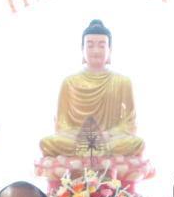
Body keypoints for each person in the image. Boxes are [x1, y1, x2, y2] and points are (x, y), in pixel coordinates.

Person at [40, 18, 143, 157]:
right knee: (48, 143)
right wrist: (81, 135)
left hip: (109, 140)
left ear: (110, 49)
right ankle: (96, 156)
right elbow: (62, 124)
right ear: (82, 49)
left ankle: (90, 156)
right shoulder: (70, 82)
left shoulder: (123, 82)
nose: (95, 51)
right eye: (90, 46)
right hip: (78, 140)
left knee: (136, 143)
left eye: (101, 46)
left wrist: (107, 134)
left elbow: (129, 124)